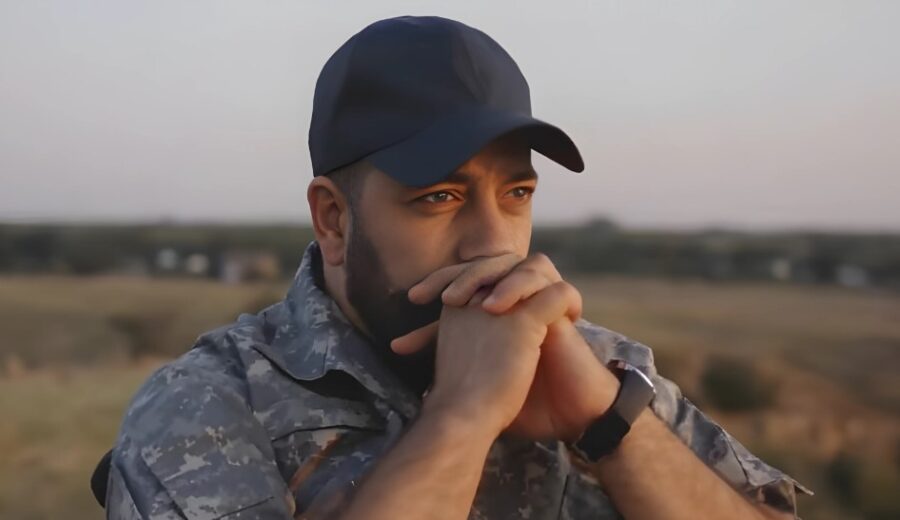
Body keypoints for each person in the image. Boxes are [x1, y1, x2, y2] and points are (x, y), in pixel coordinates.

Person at [97, 15, 811, 520]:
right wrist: (463, 417)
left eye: (517, 193)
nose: (493, 244)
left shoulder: (594, 367)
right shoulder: (209, 405)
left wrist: (607, 425)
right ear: (334, 220)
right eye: (439, 196)